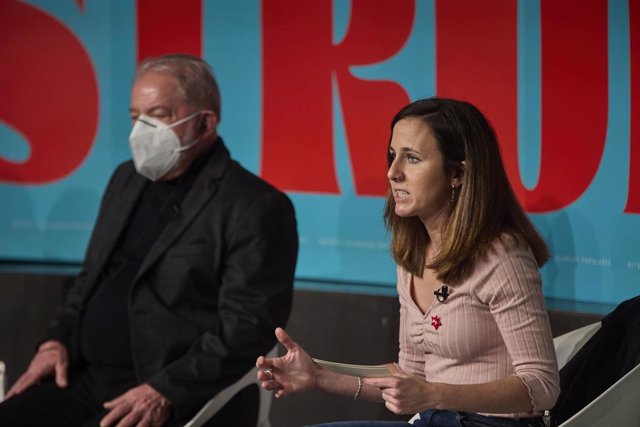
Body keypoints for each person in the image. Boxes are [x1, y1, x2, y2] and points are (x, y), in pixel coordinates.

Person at [0, 54, 298, 426]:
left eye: (158, 115)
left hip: (164, 393)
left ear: (205, 122)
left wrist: (165, 391)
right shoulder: (125, 179)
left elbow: (247, 327)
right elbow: (89, 279)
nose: (141, 129)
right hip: (82, 381)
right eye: (135, 116)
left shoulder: (256, 206)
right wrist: (55, 340)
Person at [256, 98, 559, 427]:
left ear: (457, 172)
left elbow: (542, 387)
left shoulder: (502, 255)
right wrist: (319, 375)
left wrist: (433, 394)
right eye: (392, 156)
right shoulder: (412, 255)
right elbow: (411, 376)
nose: (392, 172)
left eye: (411, 158)